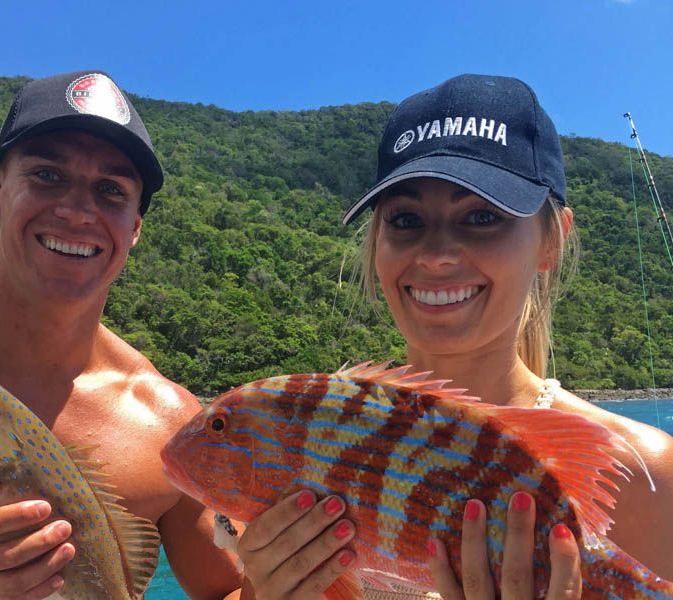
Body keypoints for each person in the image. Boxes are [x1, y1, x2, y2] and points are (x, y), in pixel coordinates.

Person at [235, 74, 673, 599]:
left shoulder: (645, 477)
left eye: (482, 217)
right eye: (405, 220)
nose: (437, 253)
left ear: (551, 241)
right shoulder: (306, 453)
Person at [0, 71, 243, 599]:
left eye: (111, 190)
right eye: (47, 175)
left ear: (134, 228)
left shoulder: (171, 424)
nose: (76, 211)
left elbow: (226, 591)